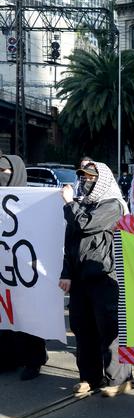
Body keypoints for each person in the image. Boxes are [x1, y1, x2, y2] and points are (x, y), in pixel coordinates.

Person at [59, 161, 133, 397]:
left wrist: (70, 203)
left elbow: (85, 225)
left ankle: (119, 378)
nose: (86, 180)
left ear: (101, 180)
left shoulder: (113, 205)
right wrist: (66, 273)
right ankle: (89, 377)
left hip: (104, 275)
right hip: (81, 278)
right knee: (82, 327)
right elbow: (70, 241)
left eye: (91, 177)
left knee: (109, 328)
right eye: (83, 176)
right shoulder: (82, 205)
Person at [0, 154, 48, 381]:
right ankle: (8, 358)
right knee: (5, 315)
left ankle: (34, 360)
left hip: (27, 271)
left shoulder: (34, 201)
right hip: (4, 269)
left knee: (28, 317)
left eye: (5, 172)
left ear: (16, 172)